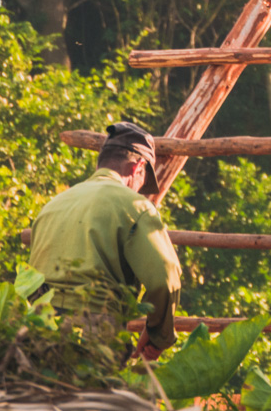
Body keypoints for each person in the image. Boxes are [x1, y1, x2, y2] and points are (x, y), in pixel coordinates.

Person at [29, 122, 182, 362]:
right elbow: (165, 276)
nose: (141, 189)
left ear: (100, 163)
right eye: (143, 180)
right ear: (138, 167)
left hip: (33, 330)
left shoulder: (52, 206)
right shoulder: (136, 206)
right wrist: (157, 335)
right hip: (93, 334)